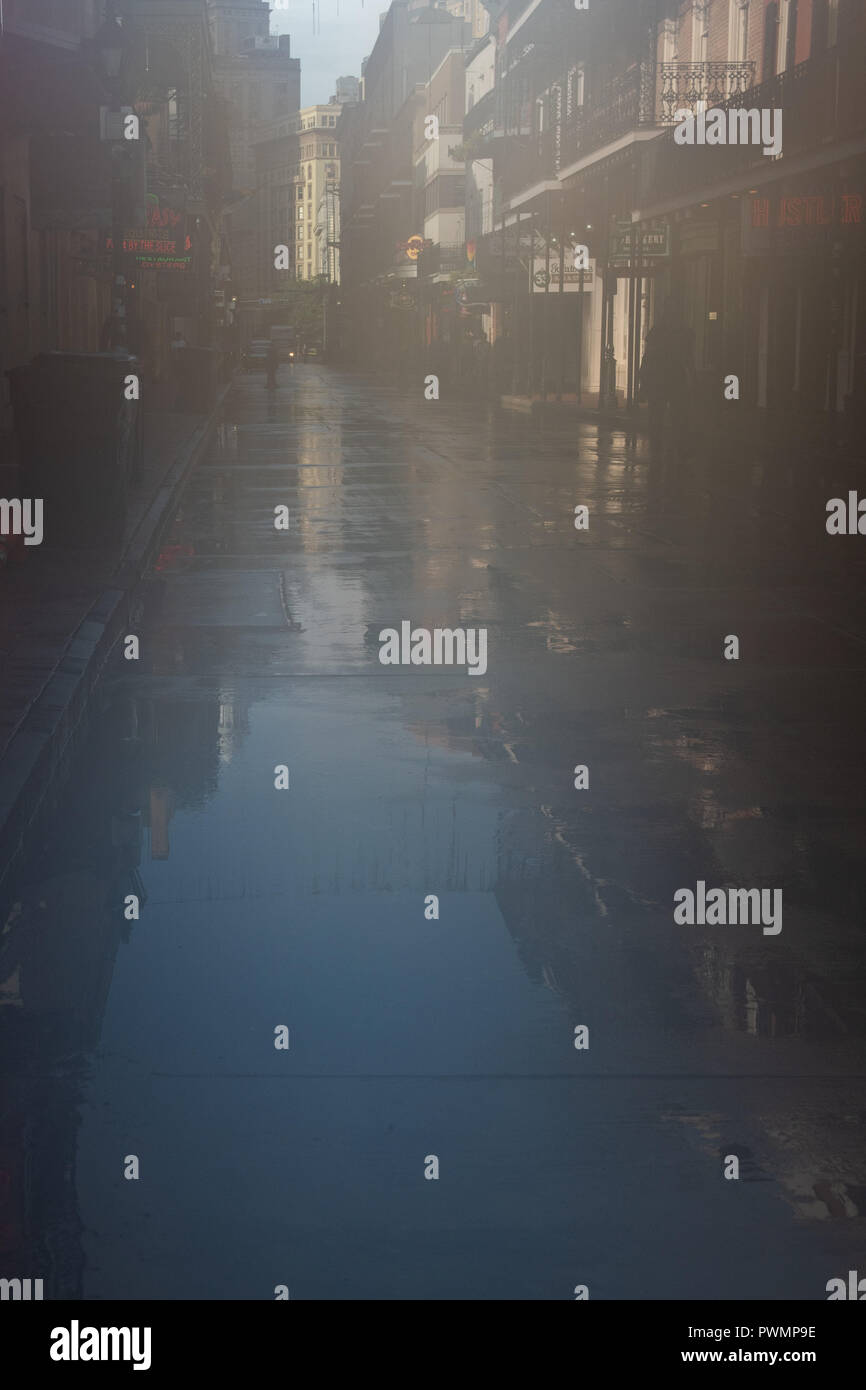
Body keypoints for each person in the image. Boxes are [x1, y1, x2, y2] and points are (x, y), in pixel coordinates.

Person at [638, 297, 695, 461]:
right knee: (670, 417)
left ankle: (665, 449)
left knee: (666, 417)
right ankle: (669, 449)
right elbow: (688, 359)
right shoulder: (680, 332)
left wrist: (644, 380)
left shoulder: (661, 331)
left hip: (666, 379)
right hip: (668, 379)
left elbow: (647, 357)